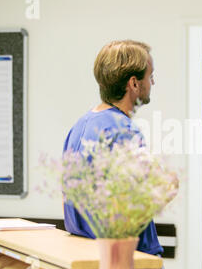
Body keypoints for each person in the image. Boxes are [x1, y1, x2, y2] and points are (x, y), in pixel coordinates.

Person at [63, 40, 164, 257]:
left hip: (87, 254)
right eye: (150, 76)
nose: (152, 82)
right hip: (127, 259)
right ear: (134, 83)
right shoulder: (123, 131)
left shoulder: (80, 126)